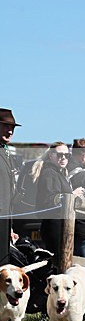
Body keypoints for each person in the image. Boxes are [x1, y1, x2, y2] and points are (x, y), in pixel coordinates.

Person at [33, 142, 85, 262]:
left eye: (67, 155)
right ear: (51, 155)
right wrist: (72, 195)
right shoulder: (50, 173)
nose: (63, 158)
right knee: (58, 263)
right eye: (59, 155)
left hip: (59, 225)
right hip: (55, 226)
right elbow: (50, 199)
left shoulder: (56, 172)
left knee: (61, 263)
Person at [0, 108, 20, 265]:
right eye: (6, 126)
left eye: (12, 127)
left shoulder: (5, 153)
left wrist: (10, 228)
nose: (10, 131)